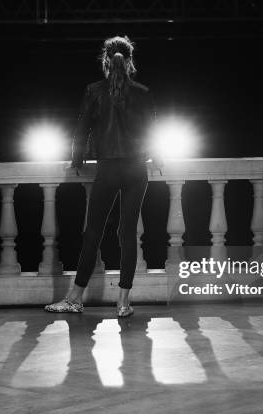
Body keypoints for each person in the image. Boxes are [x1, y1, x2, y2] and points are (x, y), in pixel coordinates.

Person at [45, 35, 160, 317]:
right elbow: (153, 133)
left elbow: (82, 129)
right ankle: (123, 303)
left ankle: (75, 298)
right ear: (130, 61)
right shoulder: (143, 93)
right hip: (136, 170)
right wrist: (157, 158)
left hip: (108, 169)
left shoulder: (94, 90)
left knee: (93, 233)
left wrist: (76, 160)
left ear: (106, 62)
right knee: (128, 235)